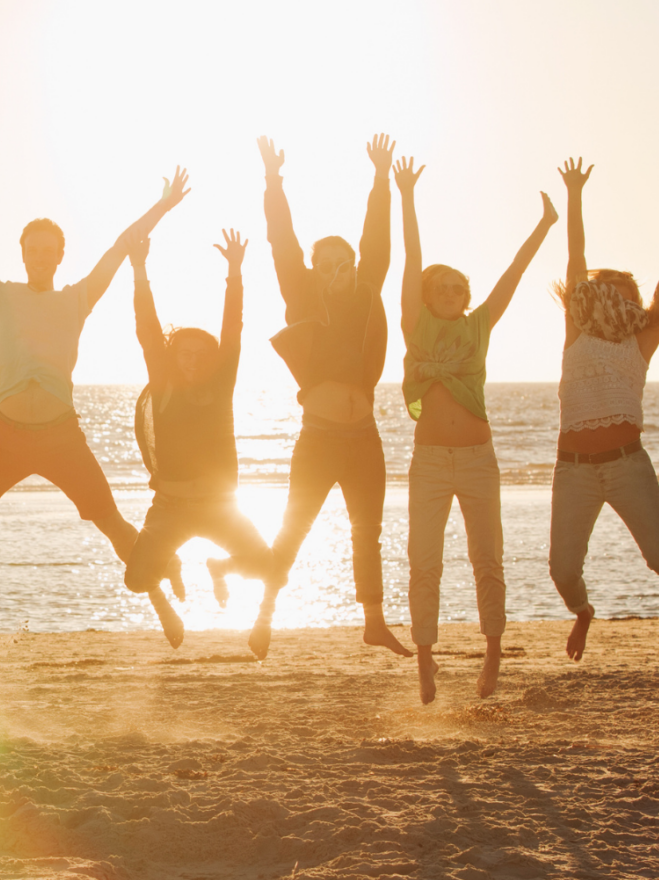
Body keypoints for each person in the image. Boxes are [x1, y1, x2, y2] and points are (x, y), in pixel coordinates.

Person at [0, 166, 191, 634]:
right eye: (34, 250)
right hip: (4, 436)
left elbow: (120, 248)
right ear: (22, 254)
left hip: (61, 436)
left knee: (111, 523)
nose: (41, 257)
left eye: (49, 251)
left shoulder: (77, 298)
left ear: (61, 256)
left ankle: (160, 598)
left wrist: (162, 206)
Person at [400, 159, 557, 703]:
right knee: (425, 562)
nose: (451, 290)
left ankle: (492, 655)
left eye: (458, 285)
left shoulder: (478, 325)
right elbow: (410, 260)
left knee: (487, 559)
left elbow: (512, 275)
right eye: (441, 285)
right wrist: (405, 196)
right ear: (426, 294)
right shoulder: (415, 324)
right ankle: (426, 659)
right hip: (429, 462)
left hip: (476, 459)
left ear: (467, 295)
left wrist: (545, 225)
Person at [250, 133, 406, 662]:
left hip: (364, 435)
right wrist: (274, 180)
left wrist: (380, 179)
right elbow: (281, 240)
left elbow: (379, 244)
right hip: (318, 436)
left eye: (345, 263)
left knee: (369, 530)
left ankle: (374, 622)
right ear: (315, 268)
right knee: (294, 527)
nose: (336, 272)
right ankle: (265, 612)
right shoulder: (300, 292)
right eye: (327, 264)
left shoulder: (365, 297)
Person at [548, 164, 659, 659]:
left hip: (626, 465)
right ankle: (583, 613)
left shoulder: (642, 340)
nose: (617, 295)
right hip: (573, 471)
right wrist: (574, 194)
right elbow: (576, 260)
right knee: (561, 569)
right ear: (593, 297)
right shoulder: (576, 331)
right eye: (607, 289)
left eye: (626, 291)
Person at [123, 229, 276, 644]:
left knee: (270, 568)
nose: (191, 361)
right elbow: (148, 330)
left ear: (212, 360)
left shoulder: (221, 383)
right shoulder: (163, 385)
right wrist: (139, 269)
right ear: (173, 358)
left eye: (200, 355)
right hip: (170, 506)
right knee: (136, 580)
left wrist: (235, 273)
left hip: (220, 506)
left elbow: (233, 330)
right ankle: (168, 569)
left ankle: (220, 567)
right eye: (183, 354)